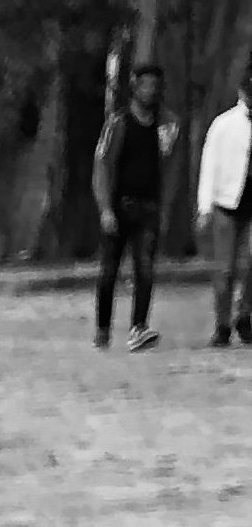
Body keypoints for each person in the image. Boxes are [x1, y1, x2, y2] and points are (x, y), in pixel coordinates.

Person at [95, 60, 178, 351]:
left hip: (149, 207)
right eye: (145, 85)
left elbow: (170, 169)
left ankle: (138, 326)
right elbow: (102, 165)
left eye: (155, 86)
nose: (150, 91)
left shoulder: (167, 126)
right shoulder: (118, 123)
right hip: (120, 205)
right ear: (135, 87)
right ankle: (102, 328)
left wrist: (164, 209)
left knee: (145, 268)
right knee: (109, 272)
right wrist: (105, 208)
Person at [198, 58, 252, 346]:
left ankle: (245, 314)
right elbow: (210, 165)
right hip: (227, 203)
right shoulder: (224, 124)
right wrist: (205, 206)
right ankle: (222, 324)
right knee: (225, 268)